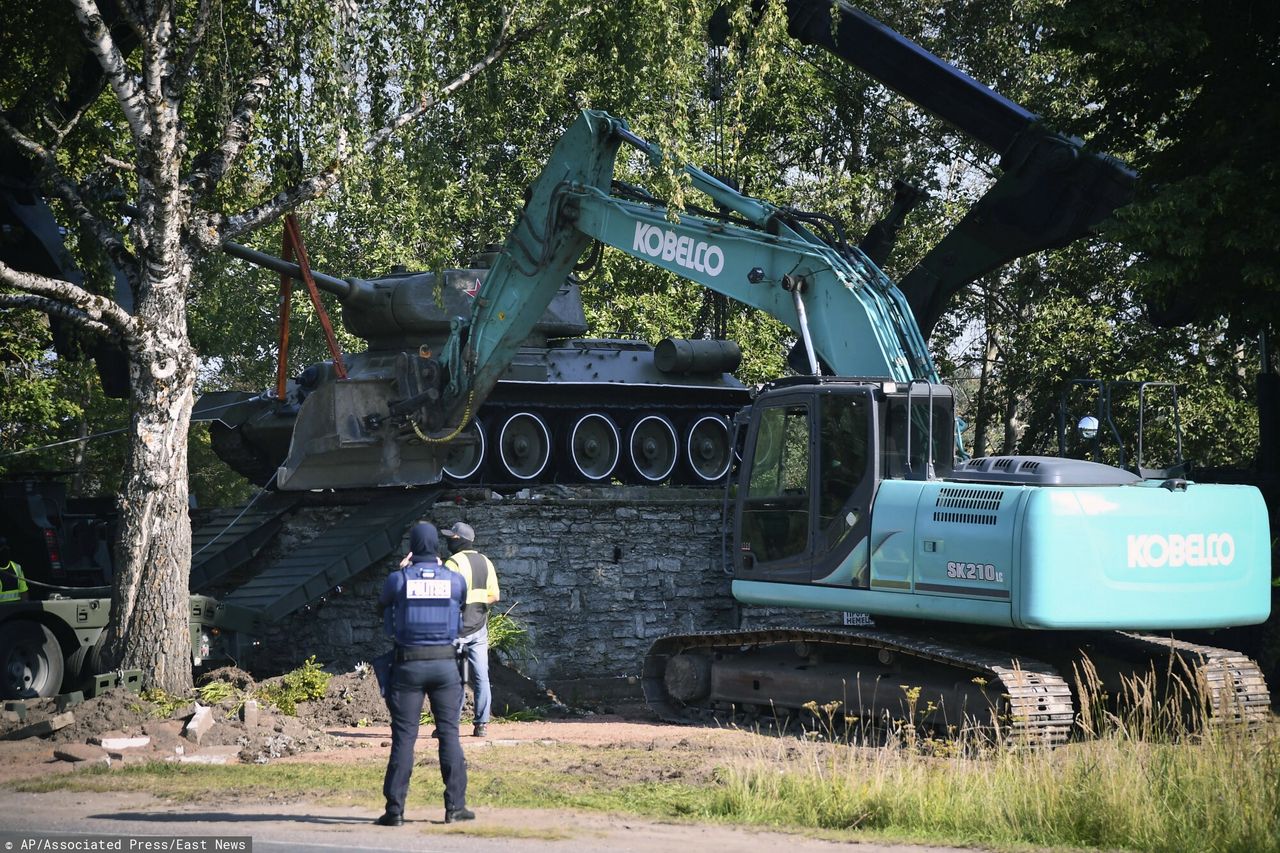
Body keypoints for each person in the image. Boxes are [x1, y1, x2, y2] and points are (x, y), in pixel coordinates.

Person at [377, 522, 474, 826]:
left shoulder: (399, 579)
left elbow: (383, 606)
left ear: (412, 546)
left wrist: (404, 569)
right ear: (436, 547)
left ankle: (395, 811)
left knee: (404, 738)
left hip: (408, 665)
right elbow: (461, 609)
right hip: (446, 666)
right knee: (449, 734)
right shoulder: (455, 580)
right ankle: (455, 807)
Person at [442, 521, 500, 738]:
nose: (448, 540)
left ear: (460, 540)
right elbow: (495, 596)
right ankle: (482, 725)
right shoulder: (486, 561)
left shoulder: (453, 562)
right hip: (479, 626)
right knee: (481, 677)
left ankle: (449, 726)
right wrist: (477, 606)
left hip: (457, 628)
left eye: (451, 537)